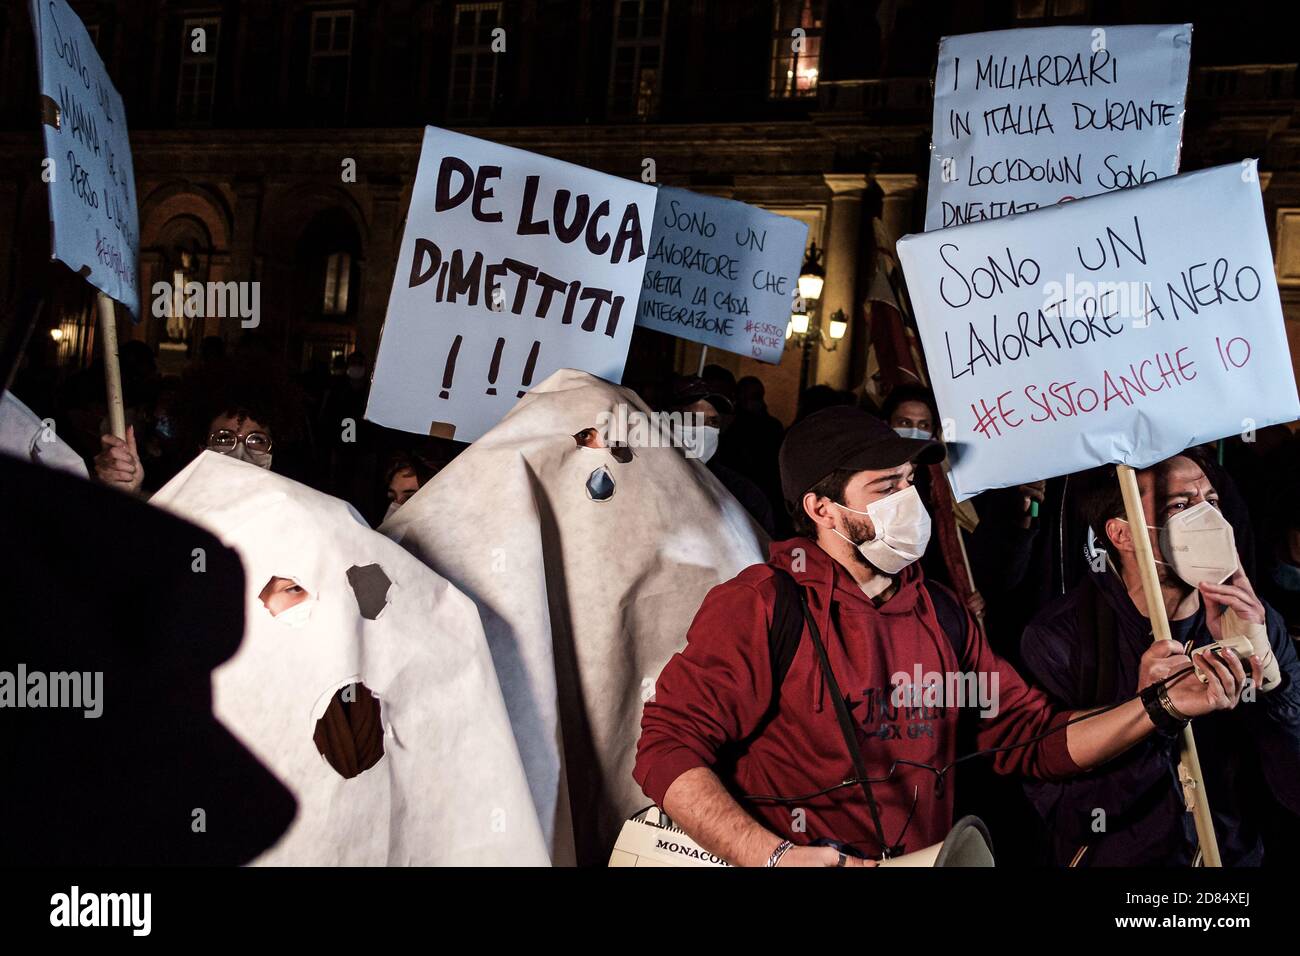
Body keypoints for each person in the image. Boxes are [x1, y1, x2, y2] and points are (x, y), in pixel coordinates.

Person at [633, 406, 1256, 867]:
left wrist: (1159, 706)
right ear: (822, 509)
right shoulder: (762, 605)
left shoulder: (941, 611)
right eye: (885, 488)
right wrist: (771, 857)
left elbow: (1031, 738)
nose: (909, 500)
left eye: (909, 482)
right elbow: (664, 750)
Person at [1020, 451, 1300, 866]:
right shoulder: (1059, 639)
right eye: (1180, 506)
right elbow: (1070, 814)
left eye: (1212, 501)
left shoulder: (1254, 618)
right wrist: (1150, 715)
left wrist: (1274, 687)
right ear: (1122, 533)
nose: (1207, 519)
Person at [667, 375, 776, 537]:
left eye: (712, 422)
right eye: (692, 419)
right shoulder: (640, 479)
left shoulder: (743, 495)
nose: (703, 430)